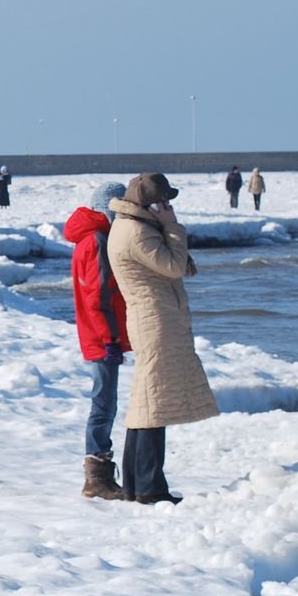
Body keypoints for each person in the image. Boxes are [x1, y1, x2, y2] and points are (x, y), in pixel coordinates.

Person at [106, 173, 217, 504]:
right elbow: (173, 266)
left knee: (148, 402)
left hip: (153, 319)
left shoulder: (131, 227)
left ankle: (136, 485)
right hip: (155, 321)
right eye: (164, 203)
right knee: (153, 405)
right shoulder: (137, 232)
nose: (168, 208)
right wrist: (173, 227)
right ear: (149, 205)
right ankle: (150, 488)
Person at [63, 182, 131, 499]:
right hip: (101, 336)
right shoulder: (98, 241)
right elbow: (97, 297)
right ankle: (97, 477)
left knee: (104, 403)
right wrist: (110, 340)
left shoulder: (87, 237)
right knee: (103, 405)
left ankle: (99, 474)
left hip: (95, 333)